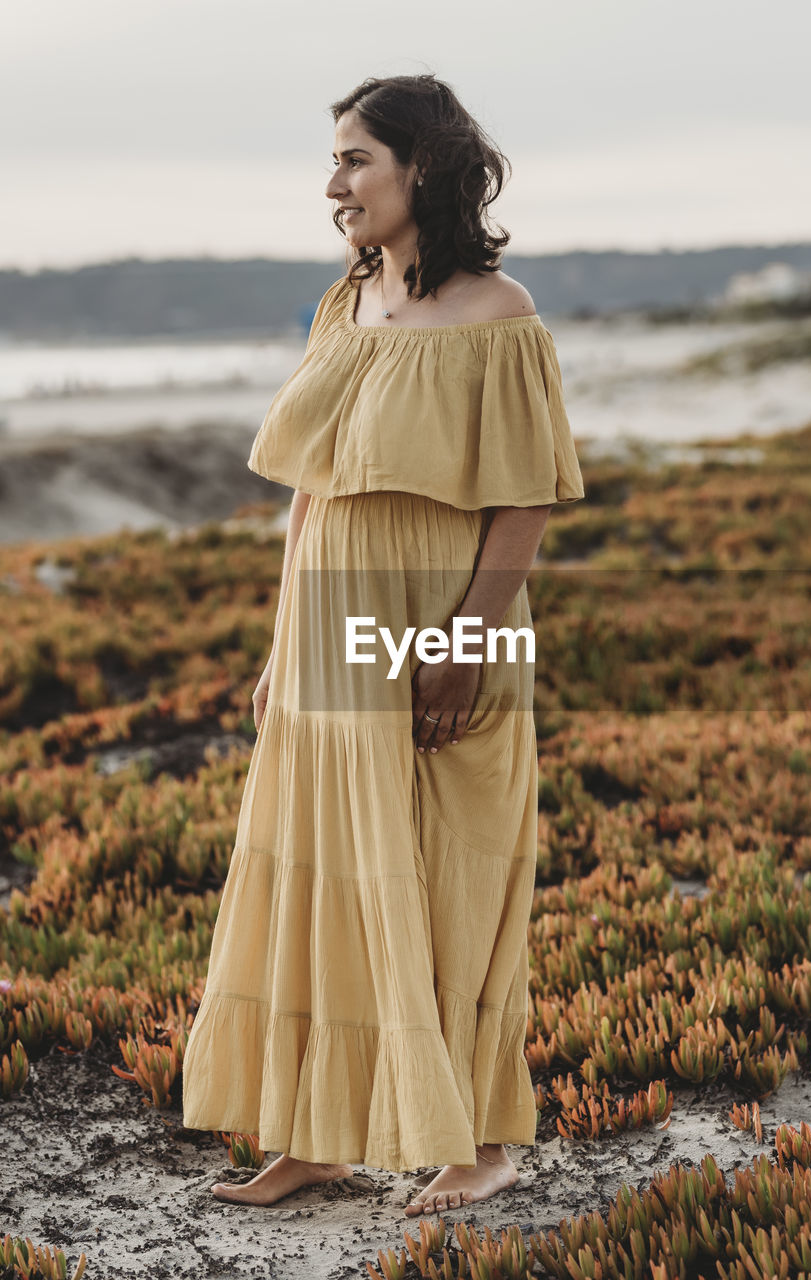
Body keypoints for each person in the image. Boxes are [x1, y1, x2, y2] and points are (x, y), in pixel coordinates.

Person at [180, 72, 585, 1218]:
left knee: (446, 872)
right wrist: (276, 645)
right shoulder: (347, 302)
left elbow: (524, 502)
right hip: (324, 628)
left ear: (422, 167)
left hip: (437, 622)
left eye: (355, 160)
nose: (334, 185)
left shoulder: (498, 314)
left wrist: (468, 638)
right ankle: (314, 1130)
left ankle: (484, 1137)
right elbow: (313, 486)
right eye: (334, 163)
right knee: (322, 875)